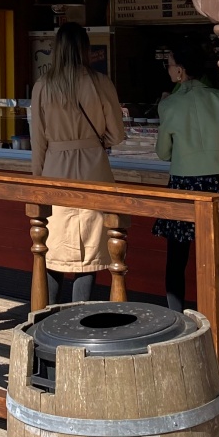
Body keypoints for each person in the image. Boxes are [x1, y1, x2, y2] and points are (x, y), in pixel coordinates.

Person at [28, 23, 126, 306]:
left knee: (52, 248)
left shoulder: (43, 86)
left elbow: (38, 142)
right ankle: (79, 320)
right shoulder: (100, 82)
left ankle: (45, 320)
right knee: (92, 251)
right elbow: (117, 135)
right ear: (86, 48)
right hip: (94, 167)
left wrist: (37, 183)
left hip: (55, 170)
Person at [152, 39, 219, 315]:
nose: (168, 70)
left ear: (180, 71)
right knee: (218, 254)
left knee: (177, 258)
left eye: (169, 64)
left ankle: (176, 314)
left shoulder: (169, 106)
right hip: (218, 183)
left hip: (184, 184)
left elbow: (162, 153)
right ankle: (218, 311)